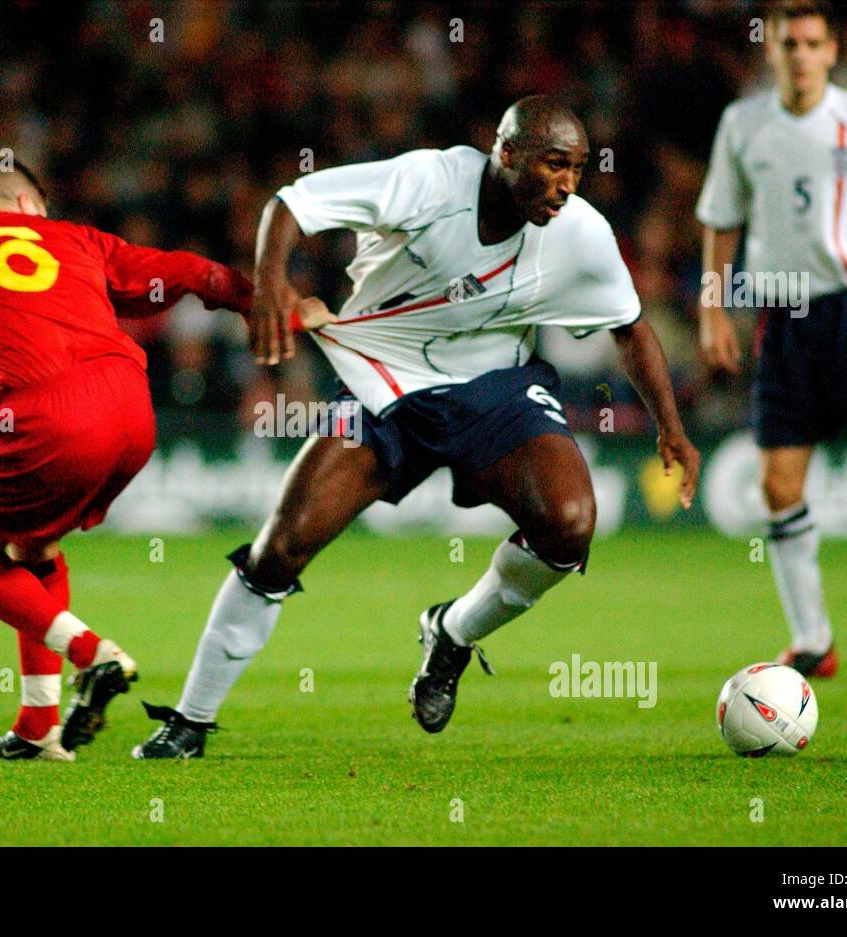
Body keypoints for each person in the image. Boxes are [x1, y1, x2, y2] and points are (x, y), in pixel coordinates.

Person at [132, 95, 701, 759]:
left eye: (576, 168)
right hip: (386, 383)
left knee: (569, 525)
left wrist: (672, 427)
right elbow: (289, 204)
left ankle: (453, 633)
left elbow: (630, 328)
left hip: (496, 391)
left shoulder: (580, 232)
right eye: (553, 165)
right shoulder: (428, 182)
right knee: (281, 547)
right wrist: (269, 282)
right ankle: (190, 722)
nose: (568, 184)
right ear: (506, 153)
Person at [0, 155, 252, 761]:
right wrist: (252, 300)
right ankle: (38, 729)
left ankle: (94, 654)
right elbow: (182, 272)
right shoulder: (77, 238)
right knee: (34, 546)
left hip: (38, 420)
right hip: (132, 410)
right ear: (28, 207)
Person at [697, 0, 847, 679]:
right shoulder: (743, 124)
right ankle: (813, 640)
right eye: (786, 43)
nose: (798, 54)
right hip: (783, 318)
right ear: (769, 52)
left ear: (832, 51)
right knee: (778, 483)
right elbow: (720, 221)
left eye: (810, 43)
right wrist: (714, 309)